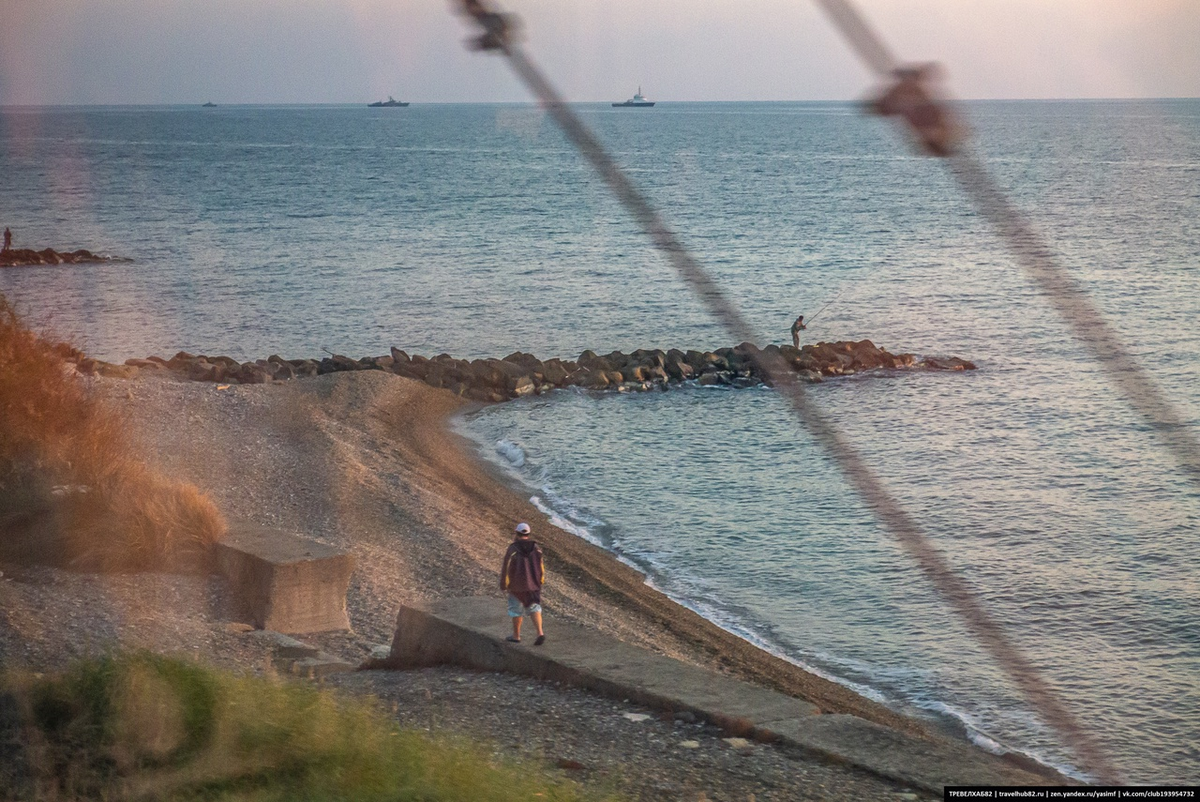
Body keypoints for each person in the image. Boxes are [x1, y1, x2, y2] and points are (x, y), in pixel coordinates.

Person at [500, 522, 545, 645]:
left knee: (516, 610)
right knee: (534, 607)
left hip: (517, 585)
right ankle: (540, 633)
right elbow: (541, 567)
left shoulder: (513, 549)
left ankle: (516, 635)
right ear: (528, 534)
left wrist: (504, 584)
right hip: (533, 585)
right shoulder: (536, 548)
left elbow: (507, 568)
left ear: (517, 533)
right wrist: (540, 581)